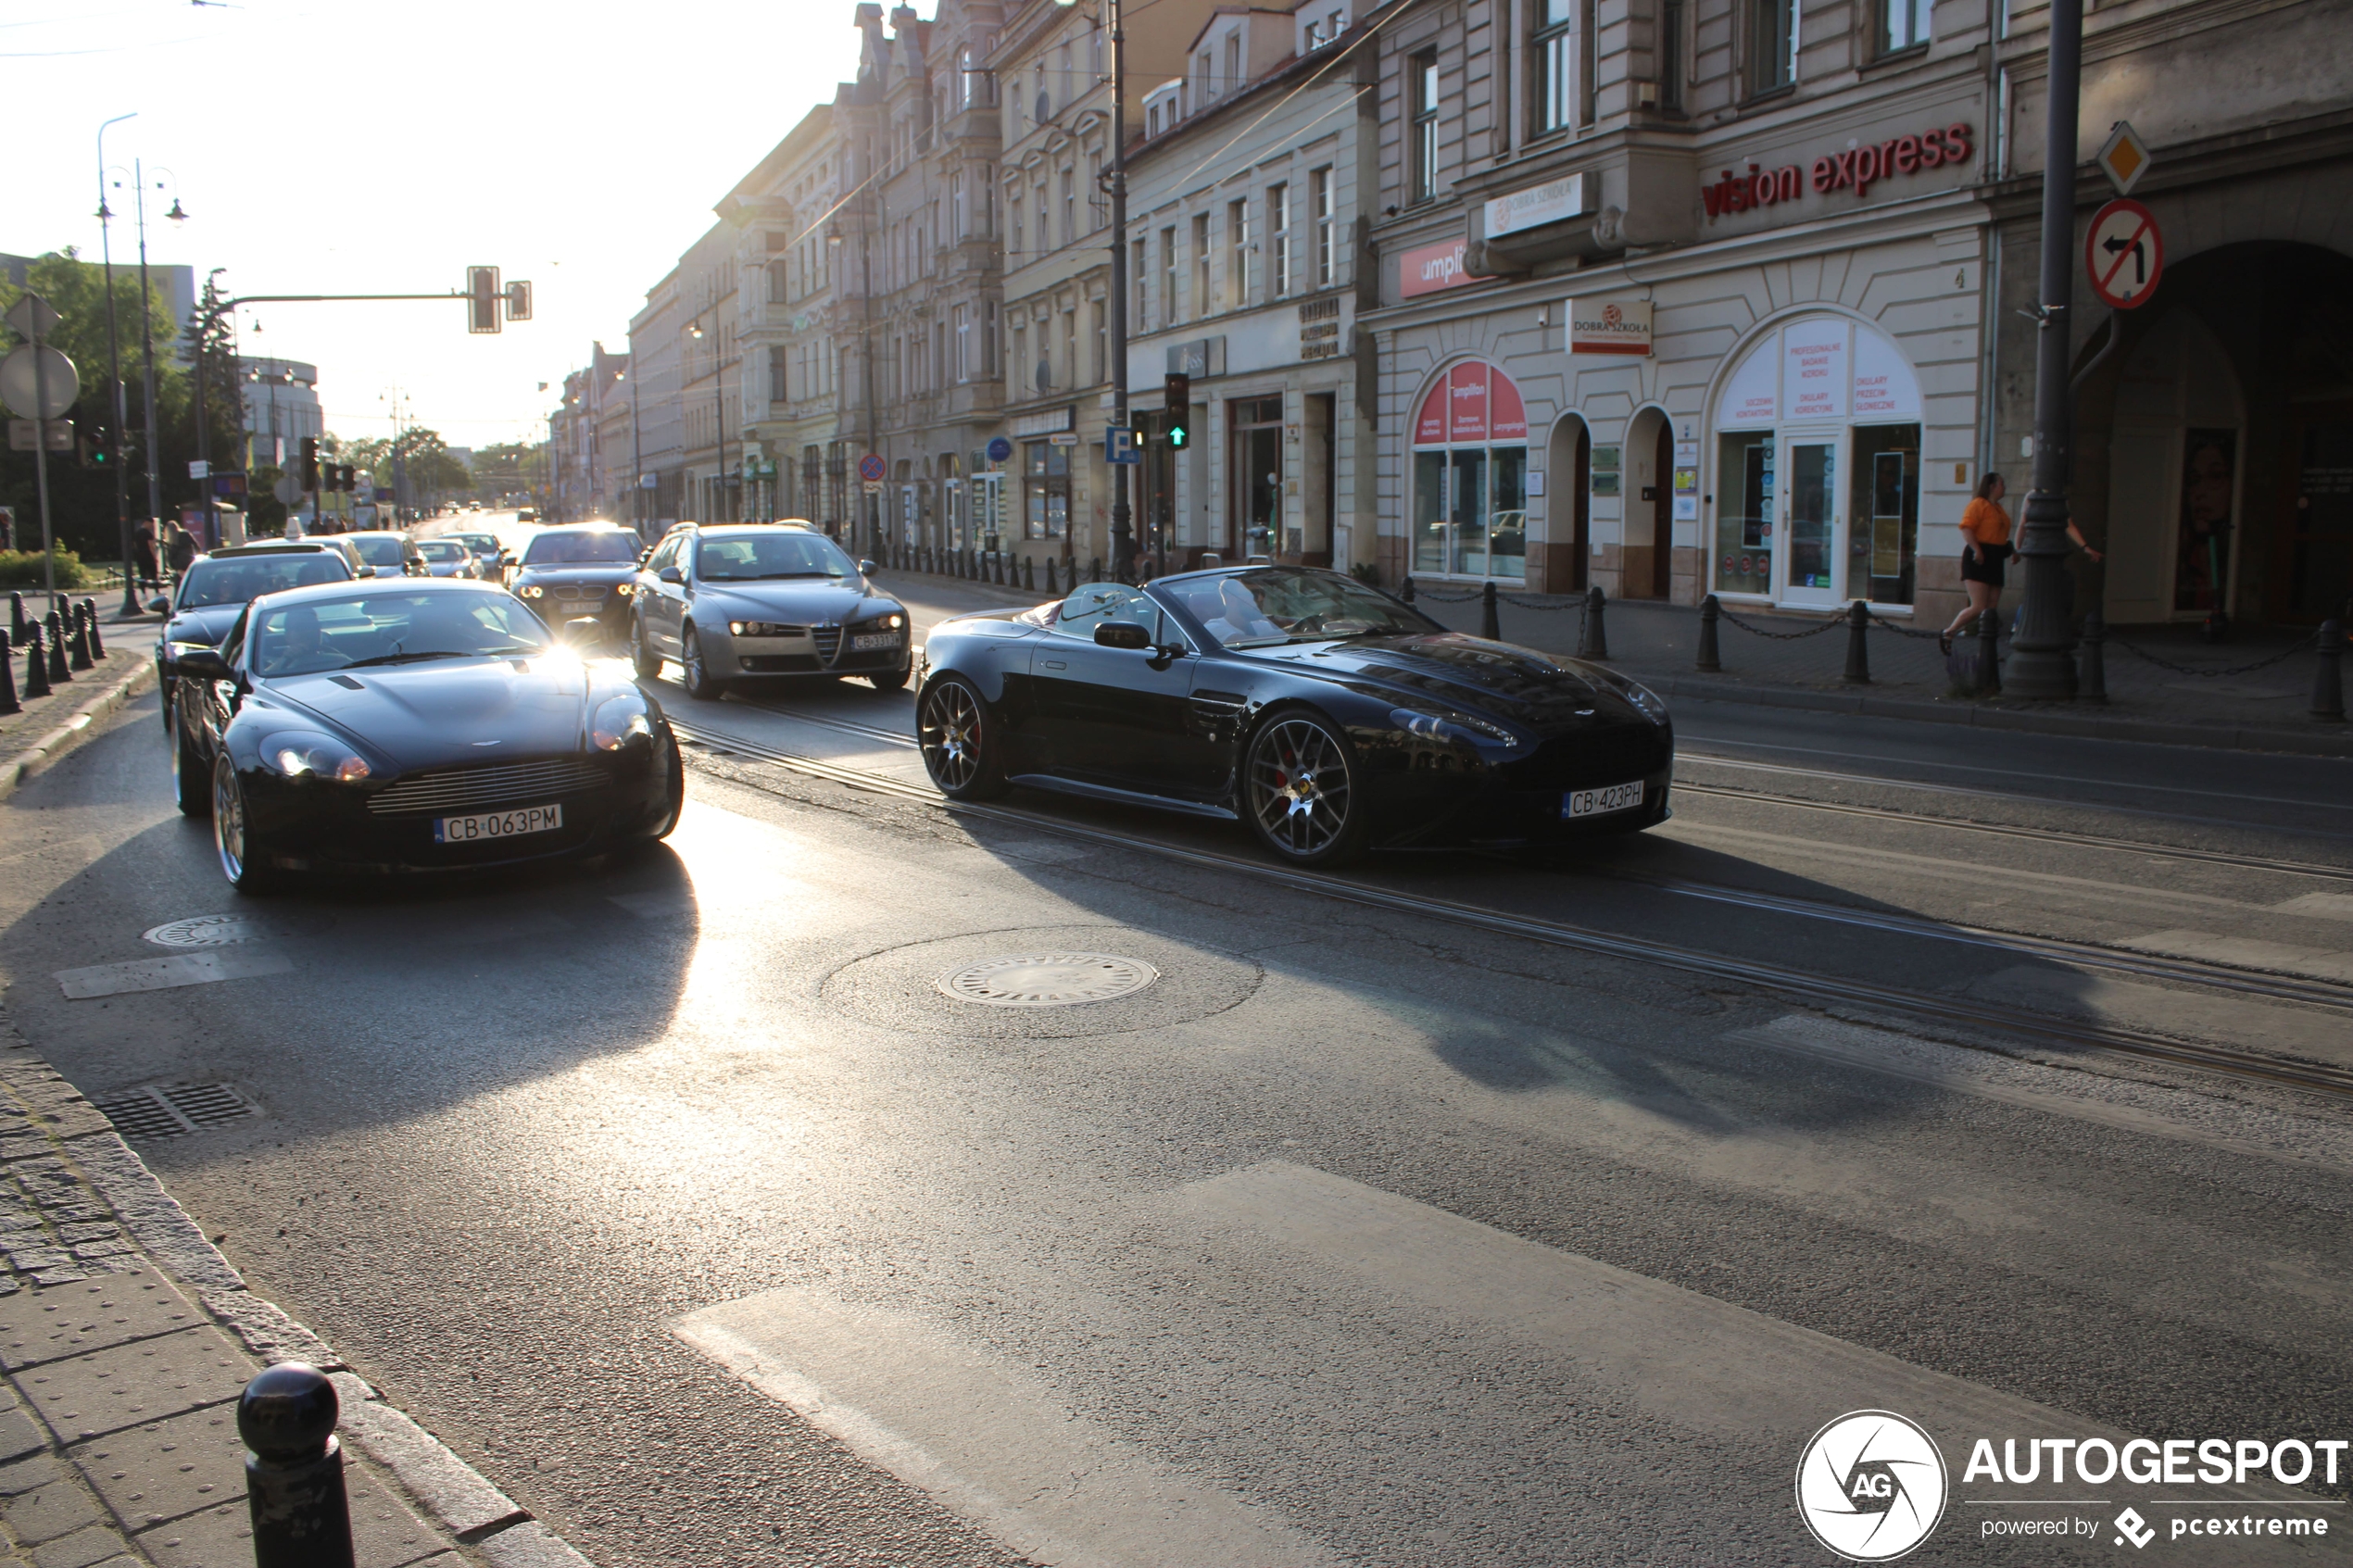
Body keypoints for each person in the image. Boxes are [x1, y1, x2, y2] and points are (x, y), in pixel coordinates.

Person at [132, 524, 160, 594]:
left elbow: (135, 544)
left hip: (140, 556)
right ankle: (156, 591)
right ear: (147, 522)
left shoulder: (137, 532)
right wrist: (155, 557)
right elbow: (151, 546)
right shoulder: (148, 533)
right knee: (153, 574)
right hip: (149, 556)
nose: (151, 526)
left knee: (142, 574)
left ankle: (143, 592)